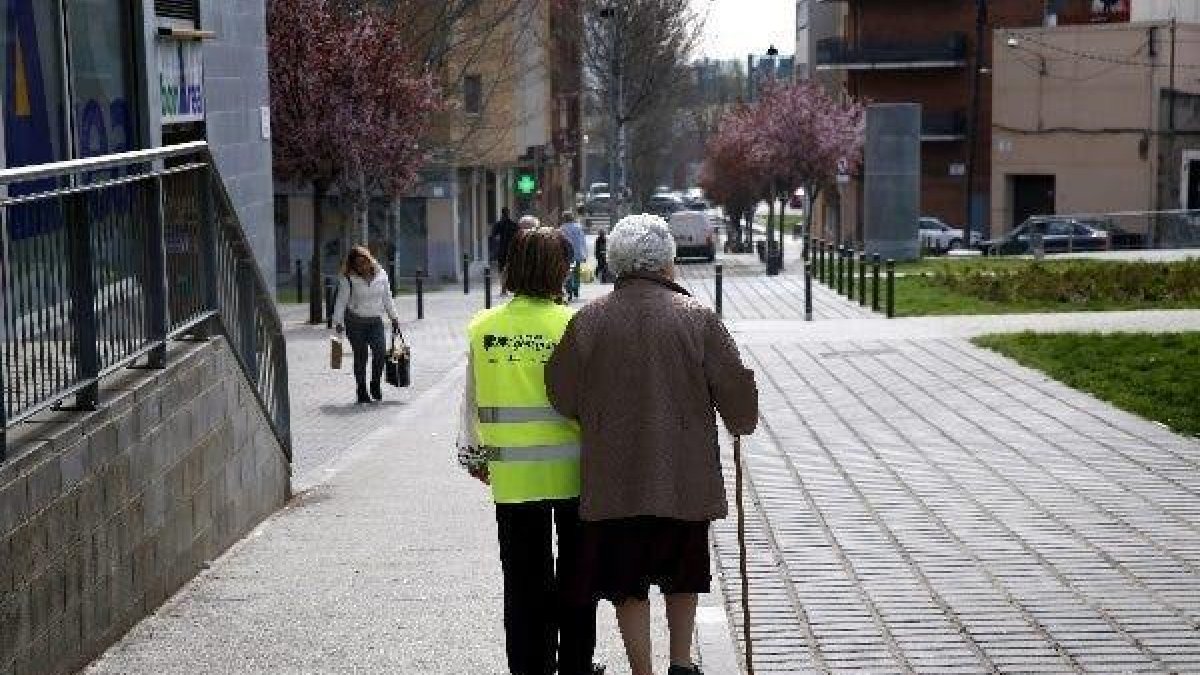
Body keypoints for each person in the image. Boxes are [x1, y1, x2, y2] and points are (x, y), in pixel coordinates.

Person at [545, 214, 758, 675]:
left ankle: (643, 670)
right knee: (683, 573)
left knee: (628, 583)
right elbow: (738, 401)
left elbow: (561, 395)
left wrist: (597, 413)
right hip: (684, 478)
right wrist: (741, 415)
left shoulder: (589, 320)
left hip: (616, 481)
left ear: (616, 262)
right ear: (667, 263)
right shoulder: (698, 318)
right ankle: (681, 662)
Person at [456, 227, 604, 675]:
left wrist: (474, 459)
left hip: (513, 478)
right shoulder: (576, 326)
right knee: (578, 581)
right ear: (561, 270)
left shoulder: (484, 328)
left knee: (523, 585)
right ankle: (576, 666)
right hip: (576, 477)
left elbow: (472, 402)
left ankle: (528, 667)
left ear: (512, 267)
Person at [333, 246, 401, 404]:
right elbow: (341, 302)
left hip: (375, 321)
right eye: (357, 264)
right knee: (361, 355)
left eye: (364, 262)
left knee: (380, 352)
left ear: (370, 260)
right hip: (354, 322)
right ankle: (361, 389)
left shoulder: (381, 275)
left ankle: (375, 383)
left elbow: (387, 298)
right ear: (352, 265)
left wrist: (394, 317)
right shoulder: (348, 279)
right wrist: (338, 323)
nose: (362, 266)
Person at [560, 210, 587, 301]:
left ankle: (569, 289)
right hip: (577, 253)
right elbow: (582, 241)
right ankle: (576, 288)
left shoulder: (562, 229)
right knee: (576, 272)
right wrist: (584, 254)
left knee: (568, 272)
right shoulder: (578, 227)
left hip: (566, 254)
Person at [491, 207, 520, 273]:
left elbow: (493, 236)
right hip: (510, 249)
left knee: (502, 268)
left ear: (502, 214)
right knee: (509, 267)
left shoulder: (499, 224)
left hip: (503, 249)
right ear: (508, 214)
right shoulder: (513, 225)